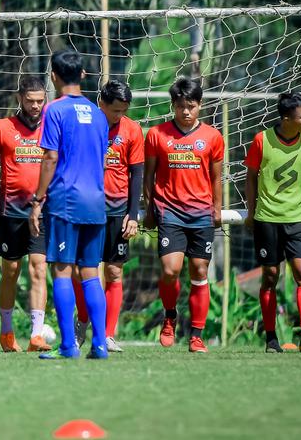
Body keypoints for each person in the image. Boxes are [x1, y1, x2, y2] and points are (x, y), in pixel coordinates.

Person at [31, 51, 110, 360]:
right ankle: (100, 344)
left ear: (53, 76)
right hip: (96, 201)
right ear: (83, 75)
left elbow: (50, 157)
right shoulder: (99, 114)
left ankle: (68, 346)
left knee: (62, 271)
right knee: (90, 272)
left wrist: (38, 199)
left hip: (66, 201)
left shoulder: (55, 110)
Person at [144, 77, 224, 354]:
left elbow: (216, 177)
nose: (186, 112)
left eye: (191, 106)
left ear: (200, 105)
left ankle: (196, 336)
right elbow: (149, 175)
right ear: (173, 106)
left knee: (199, 270)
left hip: (201, 213)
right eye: (180, 107)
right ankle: (170, 315)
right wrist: (149, 207)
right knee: (170, 270)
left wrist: (217, 208)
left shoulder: (212, 136)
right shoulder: (157, 134)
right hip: (169, 210)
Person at [245, 92, 301, 353]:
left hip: (298, 219)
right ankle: (271, 339)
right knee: (270, 276)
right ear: (287, 119)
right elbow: (251, 177)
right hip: (267, 219)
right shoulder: (262, 140)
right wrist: (251, 212)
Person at [0, 77, 52, 353]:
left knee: (39, 268)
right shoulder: (2, 127)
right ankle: (7, 332)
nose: (35, 106)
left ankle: (36, 335)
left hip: (41, 211)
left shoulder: (51, 127)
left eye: (40, 101)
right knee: (10, 271)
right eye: (30, 101)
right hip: (10, 212)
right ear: (19, 98)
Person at [96, 80, 144, 353]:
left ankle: (108, 334)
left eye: (124, 110)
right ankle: (83, 325)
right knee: (83, 271)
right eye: (115, 110)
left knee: (114, 271)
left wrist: (133, 214)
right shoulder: (88, 125)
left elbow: (136, 173)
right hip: (88, 209)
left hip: (117, 210)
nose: (120, 115)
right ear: (101, 103)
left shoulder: (132, 130)